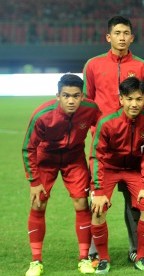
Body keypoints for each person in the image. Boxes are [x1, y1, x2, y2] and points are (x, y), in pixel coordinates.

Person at [83, 15, 144, 263]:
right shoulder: (93, 65)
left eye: (126, 34)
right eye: (117, 33)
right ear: (108, 37)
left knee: (136, 202)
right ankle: (94, 252)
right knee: (98, 199)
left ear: (132, 37)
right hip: (104, 144)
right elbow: (88, 101)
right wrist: (96, 128)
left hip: (135, 143)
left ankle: (136, 249)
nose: (122, 38)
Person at [22, 74, 101, 276]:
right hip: (45, 158)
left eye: (75, 96)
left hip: (74, 158)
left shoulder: (91, 109)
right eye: (66, 95)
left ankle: (84, 258)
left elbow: (102, 130)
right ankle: (36, 261)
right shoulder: (42, 115)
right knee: (38, 204)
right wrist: (34, 181)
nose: (71, 100)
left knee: (82, 204)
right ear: (58, 95)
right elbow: (28, 148)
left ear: (82, 96)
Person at [89, 77, 144, 274]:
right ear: (121, 99)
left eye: (138, 99)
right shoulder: (106, 122)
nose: (134, 104)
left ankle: (142, 257)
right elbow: (96, 156)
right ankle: (103, 258)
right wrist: (99, 189)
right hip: (109, 168)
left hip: (135, 171)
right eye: (129, 99)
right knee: (98, 208)